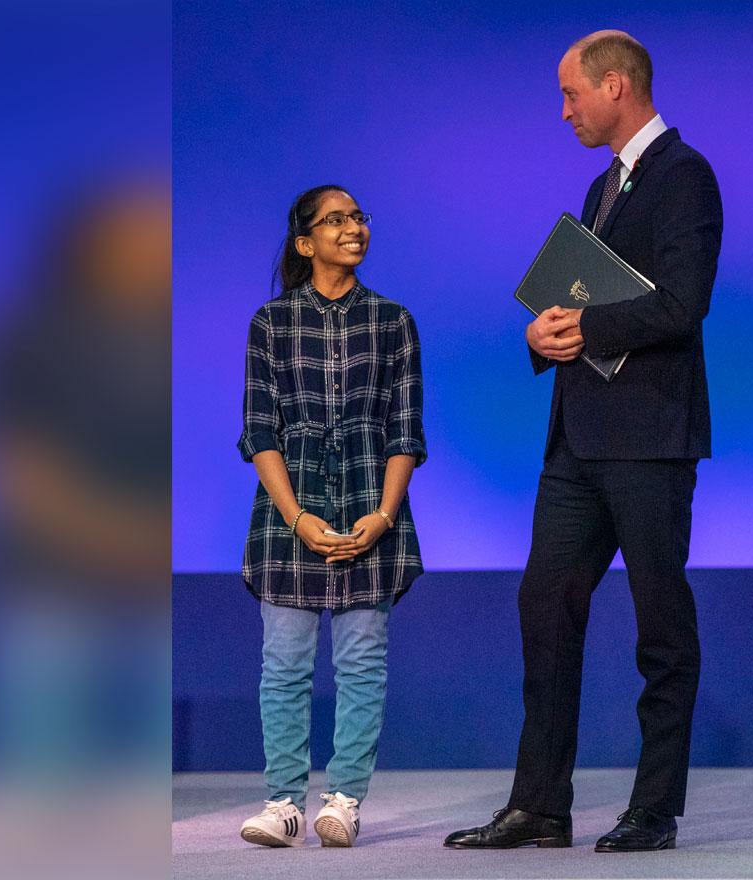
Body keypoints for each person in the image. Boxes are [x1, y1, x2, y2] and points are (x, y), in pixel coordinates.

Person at [444, 30, 722, 853]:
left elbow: (683, 303)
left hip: (647, 440)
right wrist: (546, 336)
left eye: (571, 95)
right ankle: (540, 806)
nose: (563, 111)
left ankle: (654, 809)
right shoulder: (604, 185)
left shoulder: (684, 175)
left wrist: (586, 325)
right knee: (545, 607)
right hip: (577, 441)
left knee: (659, 625)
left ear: (614, 87)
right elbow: (587, 309)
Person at [235, 185, 427, 848]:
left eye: (358, 217)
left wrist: (382, 514)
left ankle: (344, 799)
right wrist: (296, 518)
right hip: (290, 521)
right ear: (305, 242)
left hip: (368, 514)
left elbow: (406, 431)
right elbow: (260, 431)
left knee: (362, 661)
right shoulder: (271, 323)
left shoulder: (394, 321)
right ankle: (284, 802)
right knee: (284, 663)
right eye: (335, 220)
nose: (353, 228)